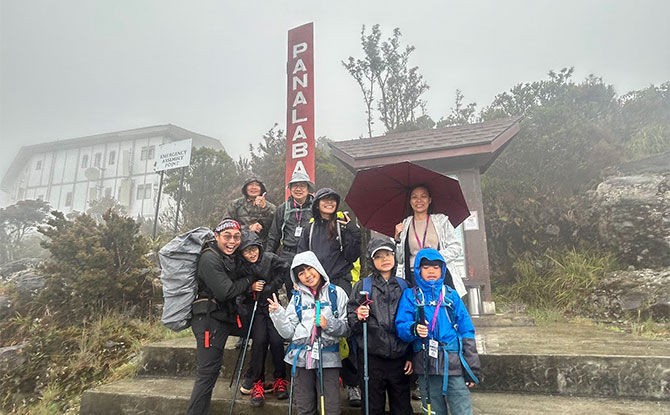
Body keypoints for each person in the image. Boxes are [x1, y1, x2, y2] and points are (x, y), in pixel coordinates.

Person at [297, 187, 363, 406]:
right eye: (324, 200)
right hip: (315, 284)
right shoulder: (311, 227)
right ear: (316, 204)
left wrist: (352, 229)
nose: (329, 203)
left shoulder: (343, 224)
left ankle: (353, 384)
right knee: (318, 329)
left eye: (332, 200)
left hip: (339, 283)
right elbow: (301, 256)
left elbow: (353, 255)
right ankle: (320, 379)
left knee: (346, 331)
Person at [395, 248, 480, 415]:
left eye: (436, 267)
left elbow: (466, 331)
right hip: (426, 363)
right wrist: (413, 328)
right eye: (426, 267)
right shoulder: (410, 296)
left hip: (453, 363)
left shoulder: (451, 296)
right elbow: (401, 326)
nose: (431, 271)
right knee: (433, 411)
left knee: (462, 409)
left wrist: (472, 368)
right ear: (418, 271)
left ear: (442, 269)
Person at [268, 251, 350, 415]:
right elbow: (288, 333)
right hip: (301, 359)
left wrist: (328, 324)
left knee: (330, 409)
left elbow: (347, 328)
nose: (307, 275)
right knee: (305, 408)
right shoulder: (296, 298)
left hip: (329, 357)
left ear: (317, 267)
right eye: (301, 273)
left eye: (309, 268)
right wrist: (278, 314)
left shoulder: (337, 293)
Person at [186, 219, 254, 415]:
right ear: (216, 237)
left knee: (262, 331)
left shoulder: (228, 257)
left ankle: (252, 378)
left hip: (223, 317)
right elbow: (226, 291)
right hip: (208, 321)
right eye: (227, 237)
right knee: (207, 373)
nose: (232, 241)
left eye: (236, 237)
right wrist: (250, 280)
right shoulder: (209, 258)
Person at [347, 237, 413, 415]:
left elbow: (412, 320)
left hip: (400, 357)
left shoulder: (404, 286)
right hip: (371, 357)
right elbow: (351, 320)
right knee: (372, 406)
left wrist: (411, 355)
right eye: (379, 256)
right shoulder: (363, 286)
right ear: (371, 260)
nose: (385, 259)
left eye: (388, 254)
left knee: (402, 406)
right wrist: (358, 316)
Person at [235, 230, 290, 407]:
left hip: (272, 305)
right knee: (259, 341)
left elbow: (284, 268)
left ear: (259, 247)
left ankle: (280, 379)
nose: (252, 253)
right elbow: (236, 286)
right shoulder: (240, 266)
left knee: (276, 340)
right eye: (246, 250)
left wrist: (272, 285)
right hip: (254, 309)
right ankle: (257, 383)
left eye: (254, 249)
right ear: (241, 253)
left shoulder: (269, 258)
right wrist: (250, 288)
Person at [394, 185, 466, 296]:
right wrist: (397, 238)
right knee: (417, 311)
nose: (419, 200)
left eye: (423, 196)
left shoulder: (441, 221)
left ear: (430, 200)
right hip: (414, 277)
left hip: (437, 275)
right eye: (414, 197)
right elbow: (400, 259)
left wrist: (433, 256)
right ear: (410, 201)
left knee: (440, 310)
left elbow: (456, 247)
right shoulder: (405, 224)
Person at [266, 171, 315, 298]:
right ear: (290, 189)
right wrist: (267, 258)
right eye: (295, 186)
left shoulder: (316, 207)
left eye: (302, 185)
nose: (298, 189)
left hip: (310, 254)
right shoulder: (283, 209)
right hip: (288, 255)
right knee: (291, 292)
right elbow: (274, 234)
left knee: (313, 290)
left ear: (308, 188)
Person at [225, 178, 276, 245]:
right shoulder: (235, 205)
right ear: (245, 188)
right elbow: (226, 224)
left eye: (257, 185)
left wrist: (264, 208)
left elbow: (276, 226)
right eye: (250, 185)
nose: (254, 187)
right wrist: (248, 228)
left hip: (263, 244)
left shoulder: (270, 207)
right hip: (240, 243)